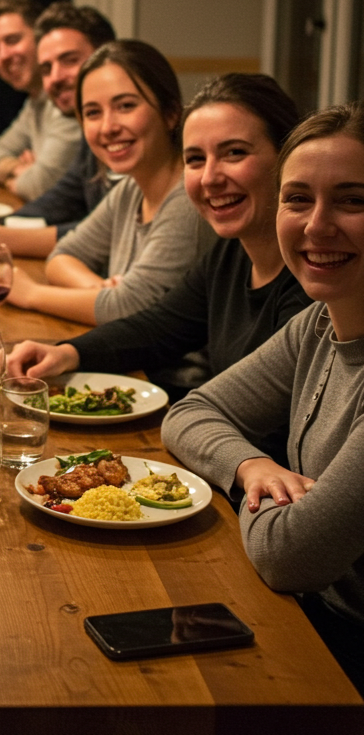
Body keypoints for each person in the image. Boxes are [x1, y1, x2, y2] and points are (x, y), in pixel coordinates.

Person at [161, 102, 364, 693]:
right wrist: (251, 466)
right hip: (303, 619)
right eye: (298, 199)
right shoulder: (320, 324)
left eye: (353, 200)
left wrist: (264, 506)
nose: (317, 225)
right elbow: (191, 413)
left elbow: (288, 554)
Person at [8, 74, 311, 400]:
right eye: (195, 159)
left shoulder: (310, 282)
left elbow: (261, 411)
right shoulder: (231, 253)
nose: (210, 178)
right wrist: (68, 353)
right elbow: (159, 328)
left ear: (286, 158)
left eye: (234, 153)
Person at [6, 40, 218, 334]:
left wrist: (30, 294)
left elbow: (125, 309)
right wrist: (100, 290)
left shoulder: (187, 199)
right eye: (93, 112)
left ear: (170, 113)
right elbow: (63, 255)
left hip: (165, 378)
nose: (107, 127)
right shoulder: (130, 189)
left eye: (125, 106)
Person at [0, 2, 116, 256]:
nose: (56, 77)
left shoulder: (117, 134)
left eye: (70, 60)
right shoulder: (81, 129)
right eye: (47, 68)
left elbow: (103, 232)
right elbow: (55, 203)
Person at [0, 0, 82, 201]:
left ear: (40, 39)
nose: (4, 55)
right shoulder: (35, 102)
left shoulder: (66, 103)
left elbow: (38, 186)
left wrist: (25, 176)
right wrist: (18, 168)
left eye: (12, 40)